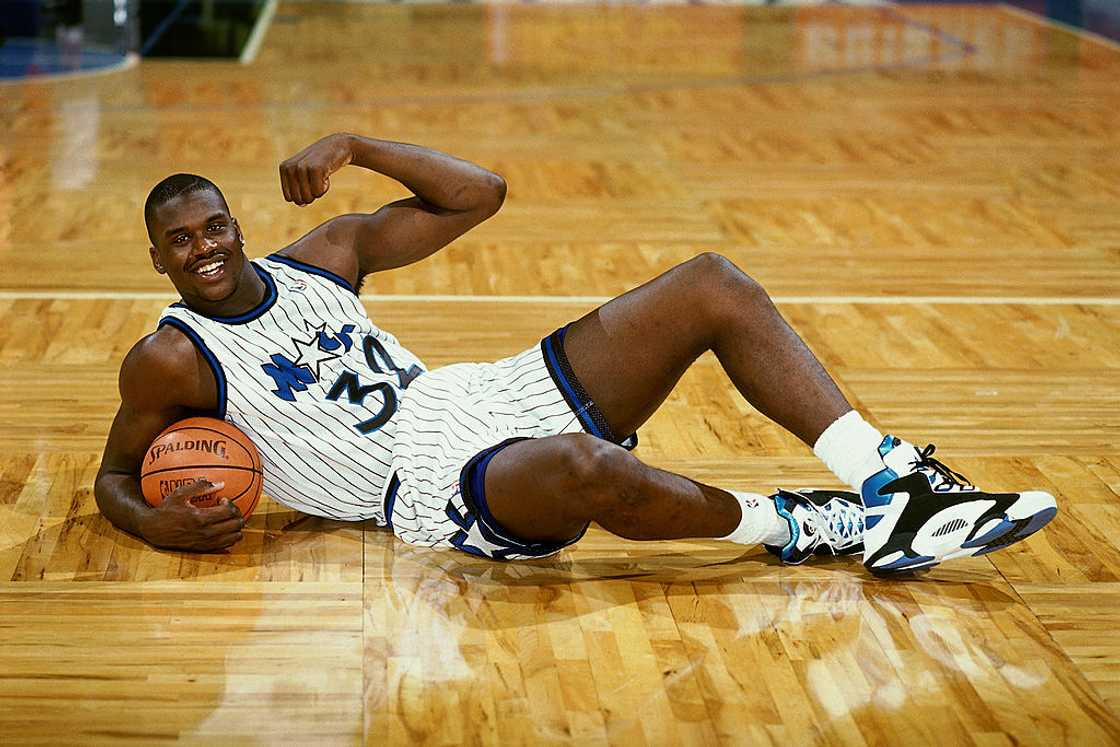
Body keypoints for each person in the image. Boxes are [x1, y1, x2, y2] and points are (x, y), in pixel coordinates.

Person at [94, 132, 1057, 574]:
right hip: (422, 487)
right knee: (583, 468)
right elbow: (109, 478)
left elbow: (481, 193)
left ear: (237, 223)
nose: (206, 248)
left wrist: (356, 144)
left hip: (476, 396)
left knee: (711, 281)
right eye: (182, 242)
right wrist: (152, 524)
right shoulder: (170, 358)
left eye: (215, 226)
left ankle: (890, 485)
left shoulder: (324, 256)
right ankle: (800, 526)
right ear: (157, 258)